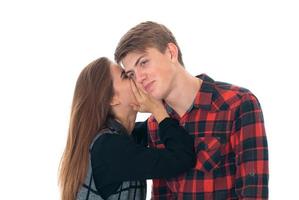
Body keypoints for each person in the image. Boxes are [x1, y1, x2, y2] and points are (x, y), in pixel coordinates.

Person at [114, 21, 269, 199]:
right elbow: (162, 195)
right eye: (132, 74)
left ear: (171, 53)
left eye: (144, 63)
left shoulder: (237, 104)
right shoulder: (156, 123)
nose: (140, 78)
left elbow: (253, 194)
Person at [58, 57, 196, 200]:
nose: (137, 79)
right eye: (127, 76)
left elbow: (163, 126)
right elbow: (182, 157)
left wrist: (161, 100)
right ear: (112, 99)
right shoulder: (109, 148)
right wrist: (157, 109)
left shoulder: (122, 137)